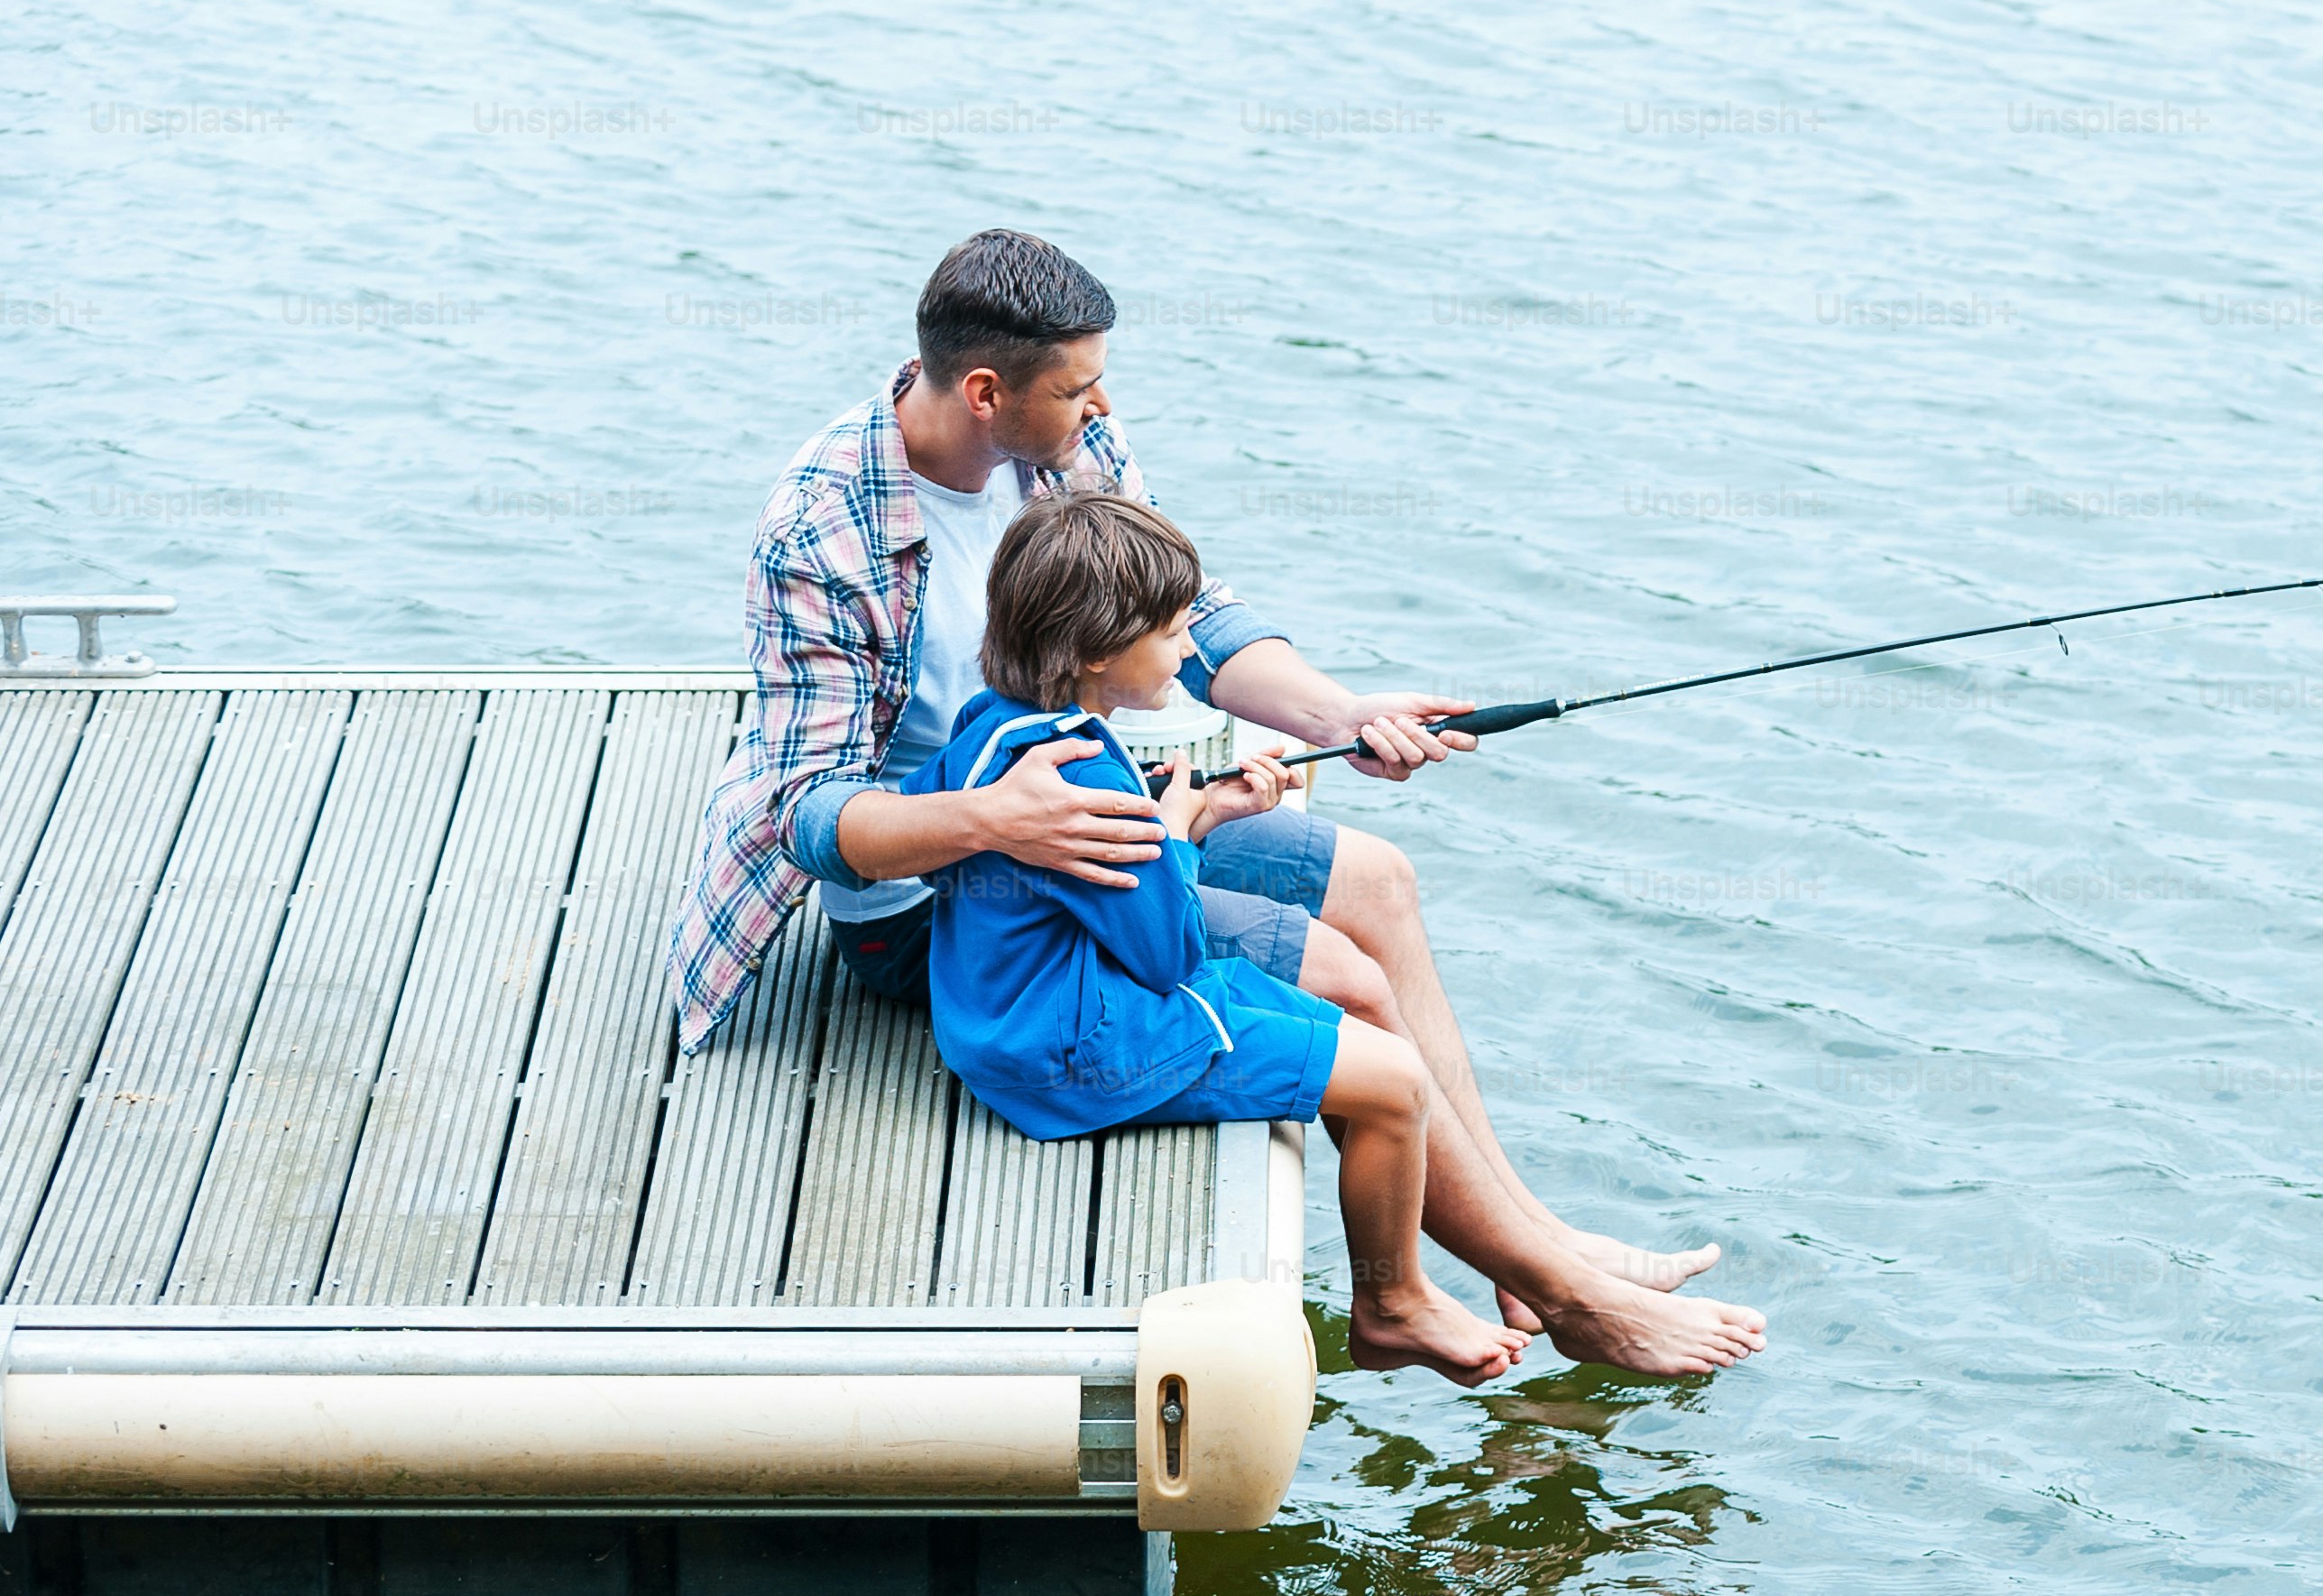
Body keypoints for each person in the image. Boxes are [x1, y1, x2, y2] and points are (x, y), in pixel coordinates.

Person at [662, 228, 1761, 1373]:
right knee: (1345, 983)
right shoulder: (822, 528)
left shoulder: (1064, 445)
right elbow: (798, 813)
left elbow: (1185, 615)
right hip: (936, 900)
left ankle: (1529, 1246)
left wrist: (1337, 719)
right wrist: (996, 822)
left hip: (1090, 817)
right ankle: (1558, 1293)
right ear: (986, 391)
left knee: (1377, 880)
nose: (1100, 407)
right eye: (1078, 388)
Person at [908, 489, 1522, 1384]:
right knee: (1393, 1085)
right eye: (1168, 633)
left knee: (1358, 1035)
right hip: (1070, 1049)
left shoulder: (996, 730)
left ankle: (1461, 1276)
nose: (1190, 650)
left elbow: (950, 855)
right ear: (1091, 653)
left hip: (1003, 1017)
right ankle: (1391, 1305)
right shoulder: (1094, 785)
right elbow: (1170, 952)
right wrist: (1177, 828)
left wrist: (1180, 813)